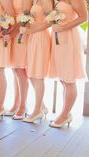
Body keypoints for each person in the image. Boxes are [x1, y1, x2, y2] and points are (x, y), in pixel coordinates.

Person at [49, 0, 87, 128]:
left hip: (69, 38)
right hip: (57, 38)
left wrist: (64, 27)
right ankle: (65, 112)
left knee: (69, 79)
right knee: (63, 79)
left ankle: (65, 115)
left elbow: (84, 17)